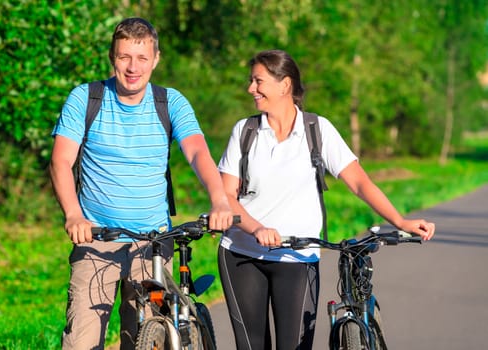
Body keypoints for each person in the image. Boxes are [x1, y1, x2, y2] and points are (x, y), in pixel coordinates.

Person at [217, 49, 435, 350]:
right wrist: (256, 229)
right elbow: (225, 196)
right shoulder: (245, 131)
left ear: (285, 85)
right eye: (251, 81)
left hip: (298, 257)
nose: (251, 89)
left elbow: (359, 182)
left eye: (258, 81)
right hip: (240, 254)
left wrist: (400, 221)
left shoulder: (317, 131)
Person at [49, 17, 233, 350]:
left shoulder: (170, 102)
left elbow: (197, 153)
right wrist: (74, 214)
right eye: (124, 57)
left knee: (146, 339)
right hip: (96, 241)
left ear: (156, 59)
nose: (133, 67)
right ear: (112, 58)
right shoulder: (85, 98)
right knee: (81, 342)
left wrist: (220, 200)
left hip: (152, 242)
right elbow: (61, 161)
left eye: (142, 58)